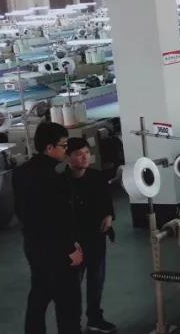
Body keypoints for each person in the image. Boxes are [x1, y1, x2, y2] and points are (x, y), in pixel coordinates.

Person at [12, 122, 83, 334]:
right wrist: (70, 249)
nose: (66, 150)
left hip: (33, 246)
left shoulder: (21, 172)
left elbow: (23, 212)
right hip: (57, 250)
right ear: (49, 147)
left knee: (39, 295)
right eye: (63, 146)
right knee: (68, 302)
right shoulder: (53, 177)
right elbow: (57, 219)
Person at [65, 137, 118, 333]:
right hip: (75, 241)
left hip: (96, 237)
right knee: (72, 285)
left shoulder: (96, 176)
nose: (84, 157)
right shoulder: (62, 182)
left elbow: (106, 201)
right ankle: (71, 324)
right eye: (79, 154)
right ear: (68, 157)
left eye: (87, 153)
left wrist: (109, 216)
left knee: (96, 280)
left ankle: (95, 318)